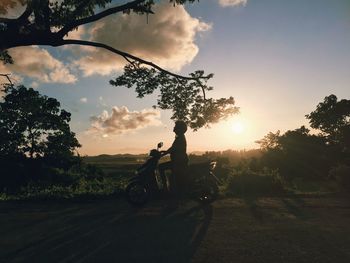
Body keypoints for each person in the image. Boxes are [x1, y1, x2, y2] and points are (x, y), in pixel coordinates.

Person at [159, 120, 189, 193]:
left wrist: (163, 154)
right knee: (167, 172)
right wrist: (164, 152)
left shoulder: (180, 138)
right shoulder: (179, 137)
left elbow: (173, 148)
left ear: (179, 128)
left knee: (160, 167)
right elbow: (173, 148)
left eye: (175, 126)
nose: (174, 128)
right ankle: (169, 188)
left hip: (179, 162)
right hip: (178, 161)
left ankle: (165, 188)